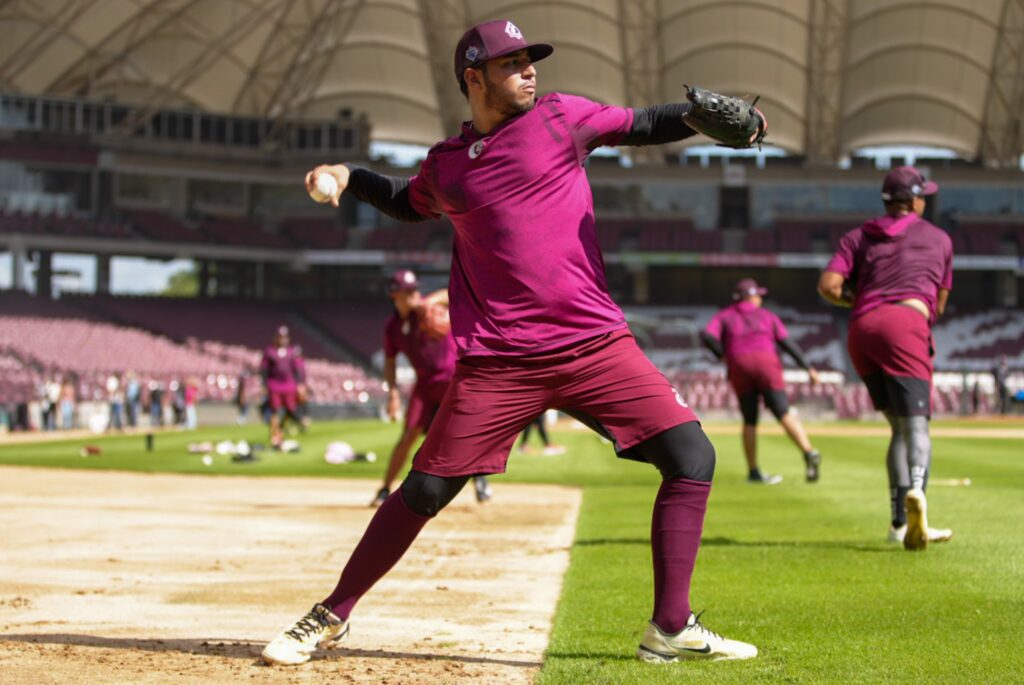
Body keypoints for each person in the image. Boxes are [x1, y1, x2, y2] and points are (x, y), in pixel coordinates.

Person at [262, 19, 763, 666]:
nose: (529, 71)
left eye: (531, 60)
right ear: (474, 78)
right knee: (424, 491)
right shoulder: (447, 164)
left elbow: (643, 122)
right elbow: (407, 202)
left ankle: (670, 625)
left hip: (594, 343)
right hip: (500, 361)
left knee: (692, 455)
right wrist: (348, 172)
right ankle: (331, 614)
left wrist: (703, 121)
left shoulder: (563, 117)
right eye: (511, 63)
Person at [818, 166, 954, 551]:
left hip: (861, 329)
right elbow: (938, 305)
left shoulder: (858, 236)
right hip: (905, 324)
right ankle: (918, 496)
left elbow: (828, 286)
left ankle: (897, 523)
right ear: (914, 201)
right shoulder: (940, 238)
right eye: (924, 196)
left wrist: (858, 299)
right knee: (917, 428)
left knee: (896, 427)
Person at [370, 269, 491, 507]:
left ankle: (481, 480)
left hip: (451, 381)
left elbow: (453, 294)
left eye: (414, 290)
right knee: (407, 436)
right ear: (394, 295)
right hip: (424, 386)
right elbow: (390, 361)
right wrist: (393, 394)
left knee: (464, 433)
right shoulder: (392, 326)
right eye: (407, 291)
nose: (413, 295)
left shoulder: (427, 310)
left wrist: (430, 301)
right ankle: (385, 488)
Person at [701, 279, 823, 484]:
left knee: (749, 420)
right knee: (783, 412)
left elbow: (707, 336)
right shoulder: (767, 315)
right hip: (767, 363)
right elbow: (787, 343)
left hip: (739, 364)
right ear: (752, 296)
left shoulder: (725, 315)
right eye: (758, 295)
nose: (759, 299)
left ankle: (753, 471)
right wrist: (808, 368)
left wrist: (723, 355)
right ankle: (808, 451)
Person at [260, 326, 306, 448]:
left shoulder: (292, 351)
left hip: (289, 385)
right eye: (281, 337)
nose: (283, 339)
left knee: (290, 409)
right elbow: (264, 369)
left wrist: (300, 384)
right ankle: (274, 435)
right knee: (274, 411)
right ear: (276, 337)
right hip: (274, 385)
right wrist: (264, 385)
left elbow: (298, 369)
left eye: (285, 337)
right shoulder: (269, 351)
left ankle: (280, 429)